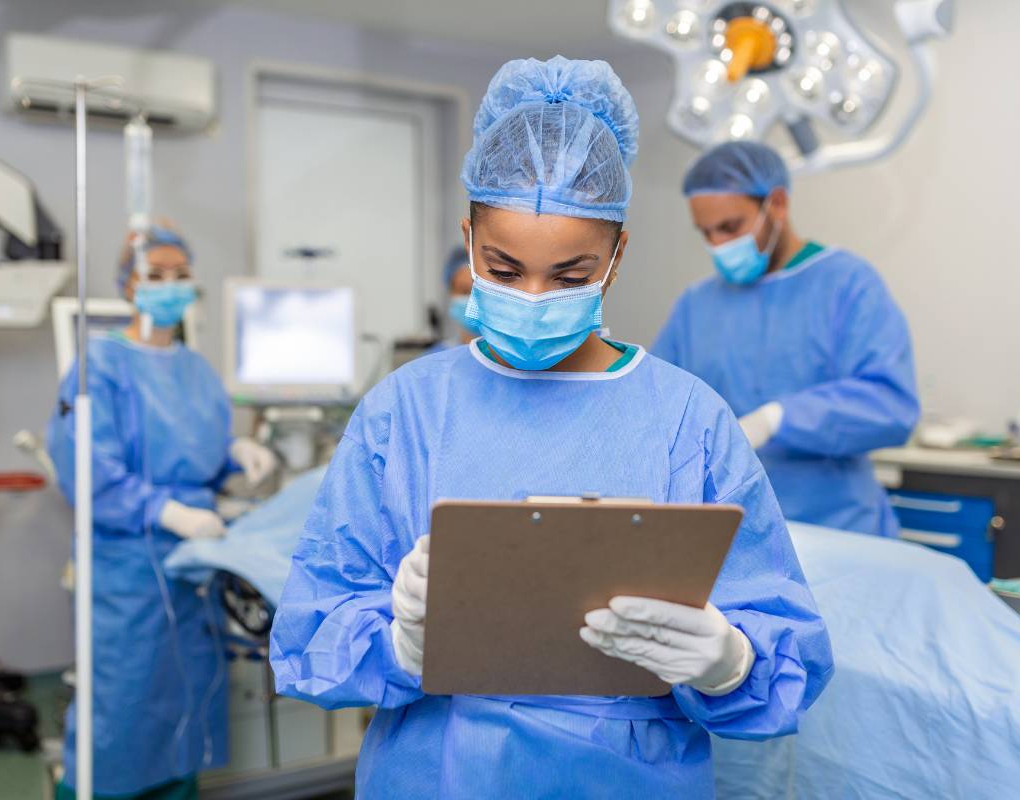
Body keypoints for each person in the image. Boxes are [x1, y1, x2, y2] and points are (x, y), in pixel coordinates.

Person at [269, 56, 832, 798]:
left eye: (569, 277)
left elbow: (782, 643)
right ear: (470, 241)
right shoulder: (404, 411)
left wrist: (730, 660)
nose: (534, 298)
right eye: (503, 270)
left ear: (616, 256)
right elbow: (312, 631)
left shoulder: (687, 420)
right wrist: (402, 643)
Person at [47, 224, 279, 799]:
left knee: (186, 698)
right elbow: (86, 470)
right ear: (128, 286)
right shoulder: (99, 366)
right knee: (123, 707)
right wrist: (167, 512)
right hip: (127, 574)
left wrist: (235, 455)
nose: (169, 286)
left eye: (180, 275)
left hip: (193, 569)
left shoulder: (196, 370)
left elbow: (197, 456)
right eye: (156, 276)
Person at [652, 141, 919, 538]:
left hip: (838, 531)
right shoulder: (697, 305)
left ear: (776, 204)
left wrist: (778, 419)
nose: (719, 245)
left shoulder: (846, 284)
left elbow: (891, 405)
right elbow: (662, 408)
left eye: (730, 228)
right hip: (734, 538)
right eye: (707, 233)